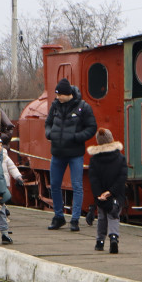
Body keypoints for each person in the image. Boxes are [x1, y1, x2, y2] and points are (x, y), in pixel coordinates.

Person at [45, 78, 97, 232]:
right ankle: (58, 217)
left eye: (60, 95)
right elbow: (47, 123)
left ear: (68, 94)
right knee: (54, 184)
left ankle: (75, 220)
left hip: (75, 153)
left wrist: (77, 137)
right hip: (57, 152)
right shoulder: (55, 106)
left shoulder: (83, 107)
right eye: (57, 94)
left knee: (77, 186)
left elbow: (92, 127)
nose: (57, 97)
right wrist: (49, 134)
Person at [87, 128, 127, 254]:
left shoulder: (94, 160)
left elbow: (93, 179)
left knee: (102, 216)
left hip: (101, 196)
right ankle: (114, 237)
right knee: (113, 215)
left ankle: (100, 242)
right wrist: (111, 192)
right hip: (115, 194)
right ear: (111, 139)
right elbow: (122, 177)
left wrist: (100, 194)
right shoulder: (120, 158)